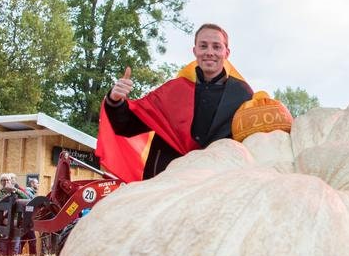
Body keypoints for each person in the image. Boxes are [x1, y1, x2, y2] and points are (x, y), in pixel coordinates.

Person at [100, 23, 254, 180]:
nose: (209, 52)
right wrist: (116, 100)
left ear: (226, 52)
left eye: (216, 47)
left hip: (216, 185)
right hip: (164, 181)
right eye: (203, 46)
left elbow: (253, 142)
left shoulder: (242, 94)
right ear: (195, 51)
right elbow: (126, 126)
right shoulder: (172, 91)